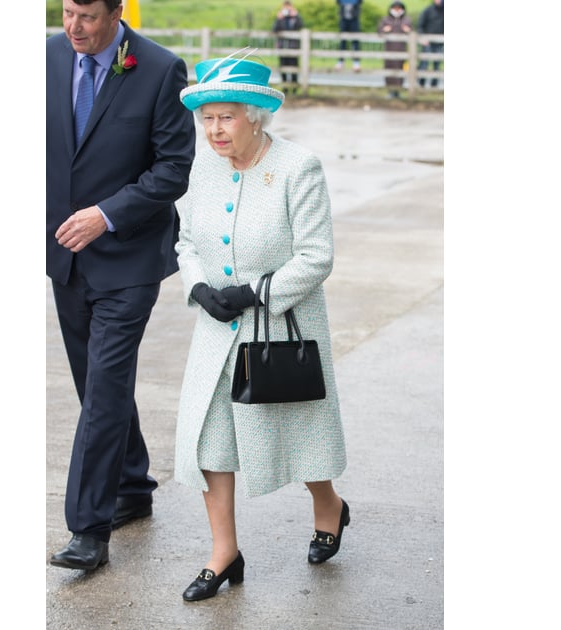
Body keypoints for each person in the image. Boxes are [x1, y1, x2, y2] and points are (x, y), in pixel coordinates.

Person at [172, 55, 349, 602]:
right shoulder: (203, 168)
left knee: (296, 437)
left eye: (225, 118)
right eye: (207, 119)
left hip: (280, 327)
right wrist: (199, 288)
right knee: (210, 441)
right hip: (217, 330)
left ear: (255, 116)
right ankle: (223, 553)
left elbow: (316, 256)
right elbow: (185, 242)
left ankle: (329, 505)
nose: (214, 130)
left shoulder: (299, 167)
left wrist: (255, 294)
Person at [45, 0, 196, 572]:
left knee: (105, 387)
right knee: (94, 383)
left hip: (130, 257)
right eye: (65, 13)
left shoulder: (160, 69)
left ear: (115, 13)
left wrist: (105, 214)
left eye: (86, 17)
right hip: (65, 254)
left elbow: (173, 169)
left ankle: (89, 527)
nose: (73, 28)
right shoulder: (49, 57)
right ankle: (132, 483)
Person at [378, 1, 413, 99]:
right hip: (389, 49)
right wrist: (384, 30)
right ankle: (390, 90)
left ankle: (398, 90)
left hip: (401, 49)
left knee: (401, 69)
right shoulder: (386, 20)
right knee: (389, 69)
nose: (397, 11)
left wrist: (408, 31)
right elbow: (379, 31)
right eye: (395, 8)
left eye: (399, 8)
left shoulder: (406, 20)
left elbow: (411, 32)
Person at [271, 1, 304, 90]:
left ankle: (294, 87)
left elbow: (301, 26)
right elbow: (274, 29)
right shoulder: (280, 18)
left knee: (294, 67)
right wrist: (278, 18)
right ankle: (284, 87)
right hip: (283, 46)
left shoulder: (295, 18)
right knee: (283, 67)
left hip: (293, 47)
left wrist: (296, 16)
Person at [416, 0, 443, 88]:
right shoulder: (428, 11)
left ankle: (434, 85)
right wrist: (423, 38)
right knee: (424, 63)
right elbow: (420, 26)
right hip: (427, 42)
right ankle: (421, 83)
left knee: (437, 63)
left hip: (439, 43)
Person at [336, 0, 363, 72]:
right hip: (344, 19)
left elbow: (360, 2)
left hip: (354, 20)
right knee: (342, 42)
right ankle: (341, 61)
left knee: (355, 41)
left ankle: (356, 63)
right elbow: (338, 2)